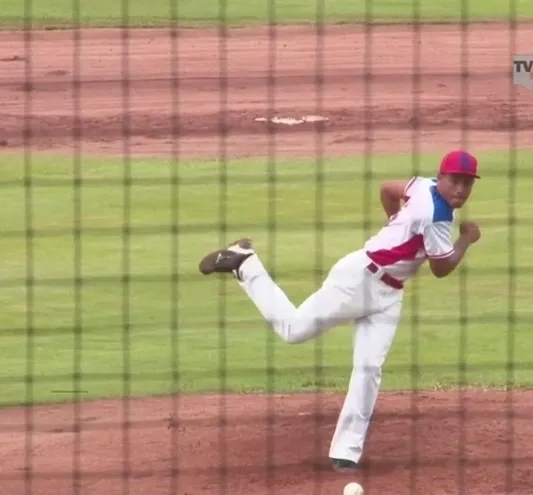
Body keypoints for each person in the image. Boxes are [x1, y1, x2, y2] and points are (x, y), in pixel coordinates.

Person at [196, 149, 483, 472]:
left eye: (467, 183)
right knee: (293, 330)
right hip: (357, 279)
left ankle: (346, 450)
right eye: (455, 181)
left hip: (390, 294)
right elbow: (441, 268)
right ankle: (246, 264)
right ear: (442, 177)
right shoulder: (436, 216)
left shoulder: (423, 186)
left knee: (369, 367)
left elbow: (388, 189)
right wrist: (467, 240)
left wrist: (393, 220)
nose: (461, 189)